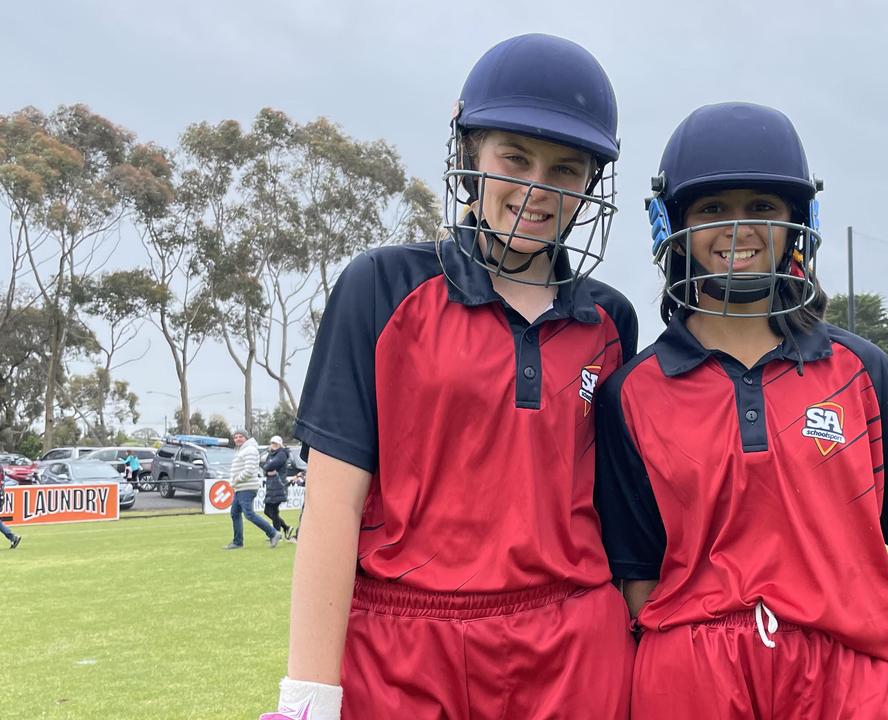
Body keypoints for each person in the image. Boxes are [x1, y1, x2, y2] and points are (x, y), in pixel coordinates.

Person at [266, 34, 637, 720]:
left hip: (573, 647)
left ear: (591, 182)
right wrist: (308, 698)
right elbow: (332, 508)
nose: (536, 188)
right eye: (515, 159)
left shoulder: (610, 321)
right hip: (404, 650)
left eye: (565, 169)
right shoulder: (380, 287)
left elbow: (621, 516)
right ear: (470, 155)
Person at [595, 102, 888, 720]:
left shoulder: (861, 372)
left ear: (798, 221)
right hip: (693, 680)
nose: (737, 230)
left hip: (849, 680)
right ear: (671, 225)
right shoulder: (631, 392)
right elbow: (639, 586)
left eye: (762, 209)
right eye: (712, 210)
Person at [225, 429, 281, 551]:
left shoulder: (249, 450)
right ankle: (237, 542)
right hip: (241, 487)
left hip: (246, 487)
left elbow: (249, 470)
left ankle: (273, 533)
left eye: (240, 436)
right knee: (235, 513)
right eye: (236, 437)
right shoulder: (243, 450)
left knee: (249, 514)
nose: (238, 439)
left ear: (246, 438)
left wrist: (236, 480)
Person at [261, 435, 293, 541]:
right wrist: (267, 470)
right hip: (271, 486)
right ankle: (285, 528)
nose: (273, 445)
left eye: (275, 444)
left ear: (280, 444)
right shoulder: (271, 454)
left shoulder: (282, 454)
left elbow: (270, 465)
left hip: (279, 485)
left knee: (274, 511)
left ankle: (276, 534)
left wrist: (267, 468)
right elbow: (265, 467)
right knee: (267, 511)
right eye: (272, 443)